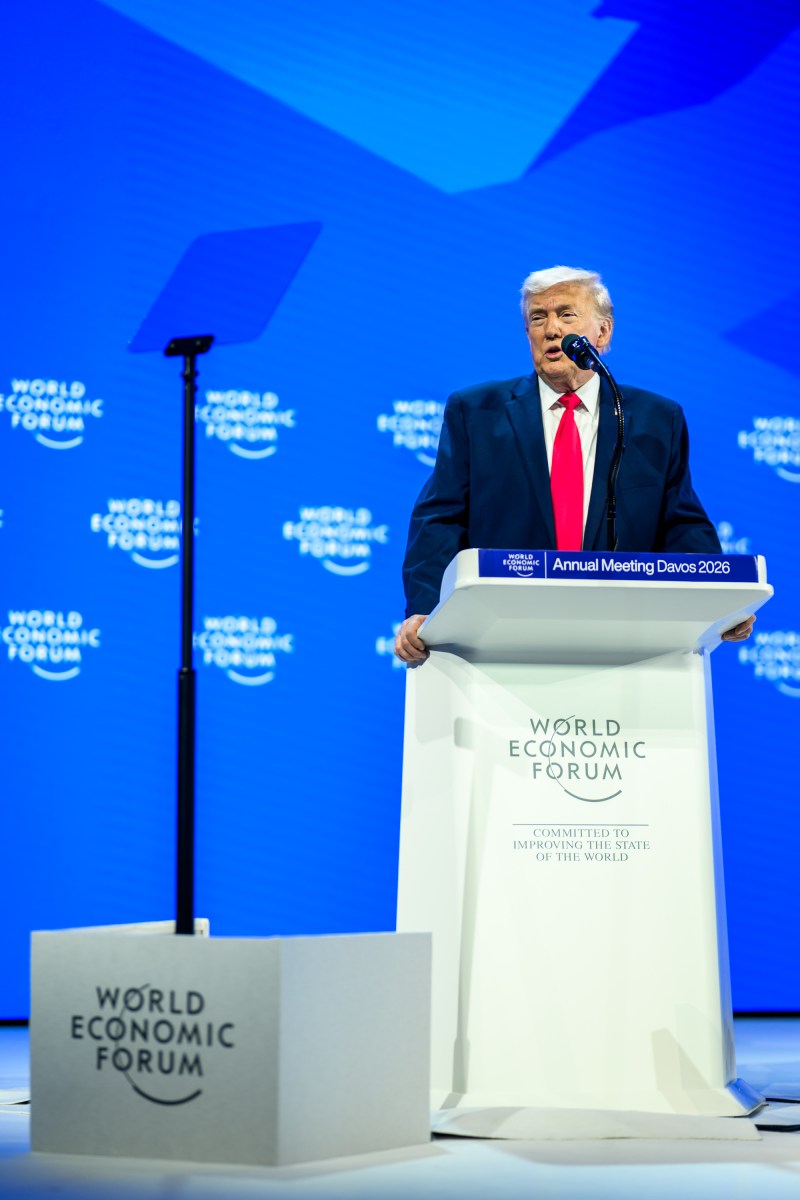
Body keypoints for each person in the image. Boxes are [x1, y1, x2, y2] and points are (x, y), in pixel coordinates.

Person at [395, 265, 755, 663]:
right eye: (537, 317)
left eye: (566, 314)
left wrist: (719, 605)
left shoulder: (655, 419)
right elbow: (440, 518)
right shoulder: (476, 412)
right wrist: (424, 610)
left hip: (623, 639)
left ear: (603, 332)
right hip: (503, 635)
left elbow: (681, 523)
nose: (551, 330)